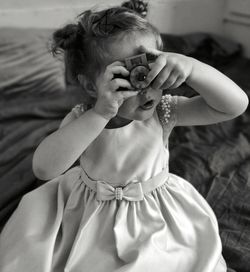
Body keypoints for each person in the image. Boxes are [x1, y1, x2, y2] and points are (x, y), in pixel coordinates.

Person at [0, 4, 248, 272]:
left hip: (154, 214)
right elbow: (45, 168)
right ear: (90, 86)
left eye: (151, 72)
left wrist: (193, 67)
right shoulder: (84, 118)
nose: (146, 89)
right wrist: (101, 114)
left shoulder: (164, 112)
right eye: (126, 78)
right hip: (90, 213)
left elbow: (234, 105)